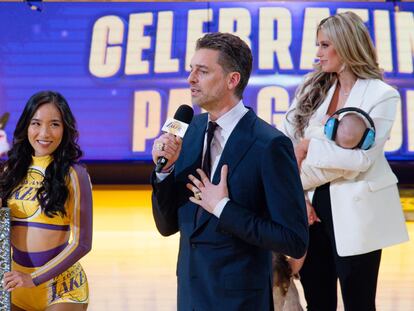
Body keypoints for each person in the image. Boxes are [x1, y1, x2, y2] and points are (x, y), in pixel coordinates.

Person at [151, 32, 308, 310]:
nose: (191, 79)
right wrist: (165, 171)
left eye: (202, 71)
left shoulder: (270, 145)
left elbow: (293, 240)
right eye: (191, 70)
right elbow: (167, 226)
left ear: (232, 80)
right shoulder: (189, 131)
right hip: (190, 297)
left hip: (240, 301)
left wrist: (223, 207)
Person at [282, 12, 409, 310]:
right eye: (318, 45)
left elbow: (361, 160)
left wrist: (309, 143)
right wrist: (299, 196)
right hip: (309, 209)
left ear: (347, 45)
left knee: (359, 303)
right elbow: (285, 145)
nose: (318, 53)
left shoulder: (383, 95)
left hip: (359, 214)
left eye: (325, 45)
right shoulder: (310, 88)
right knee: (318, 301)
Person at [0, 91, 93, 310]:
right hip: (16, 283)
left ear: (65, 129)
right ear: (26, 126)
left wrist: (33, 278)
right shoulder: (9, 171)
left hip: (61, 286)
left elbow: (83, 243)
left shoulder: (74, 174)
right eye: (36, 123)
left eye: (54, 124)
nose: (44, 133)